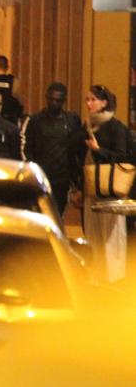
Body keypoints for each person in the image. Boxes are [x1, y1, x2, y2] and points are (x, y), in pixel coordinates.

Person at [79, 85, 131, 282]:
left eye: (93, 99)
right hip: (92, 190)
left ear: (104, 102)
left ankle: (113, 281)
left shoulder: (116, 127)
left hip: (111, 191)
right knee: (93, 238)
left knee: (112, 240)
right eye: (87, 99)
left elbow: (123, 157)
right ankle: (95, 279)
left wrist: (98, 150)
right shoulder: (87, 126)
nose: (89, 103)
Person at [21, 82, 82, 218]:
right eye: (51, 99)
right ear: (46, 98)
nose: (54, 103)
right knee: (40, 213)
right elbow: (26, 148)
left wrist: (76, 181)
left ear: (64, 101)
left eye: (58, 100)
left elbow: (76, 150)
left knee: (58, 214)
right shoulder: (35, 120)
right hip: (41, 175)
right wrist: (33, 171)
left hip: (62, 177)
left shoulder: (71, 121)